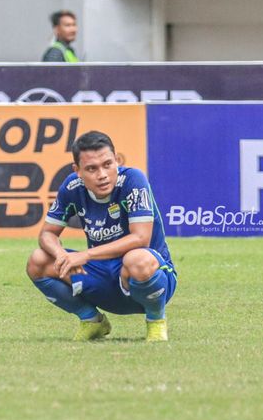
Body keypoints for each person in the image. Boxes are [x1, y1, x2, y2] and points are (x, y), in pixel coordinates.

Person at [26, 131, 177, 342]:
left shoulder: (133, 180)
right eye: (91, 169)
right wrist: (60, 254)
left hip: (148, 276)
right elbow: (47, 234)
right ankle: (92, 321)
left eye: (108, 164)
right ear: (77, 171)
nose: (102, 174)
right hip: (103, 278)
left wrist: (85, 255)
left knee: (137, 258)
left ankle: (156, 321)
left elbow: (140, 238)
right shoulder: (72, 187)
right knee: (38, 260)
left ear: (117, 160)